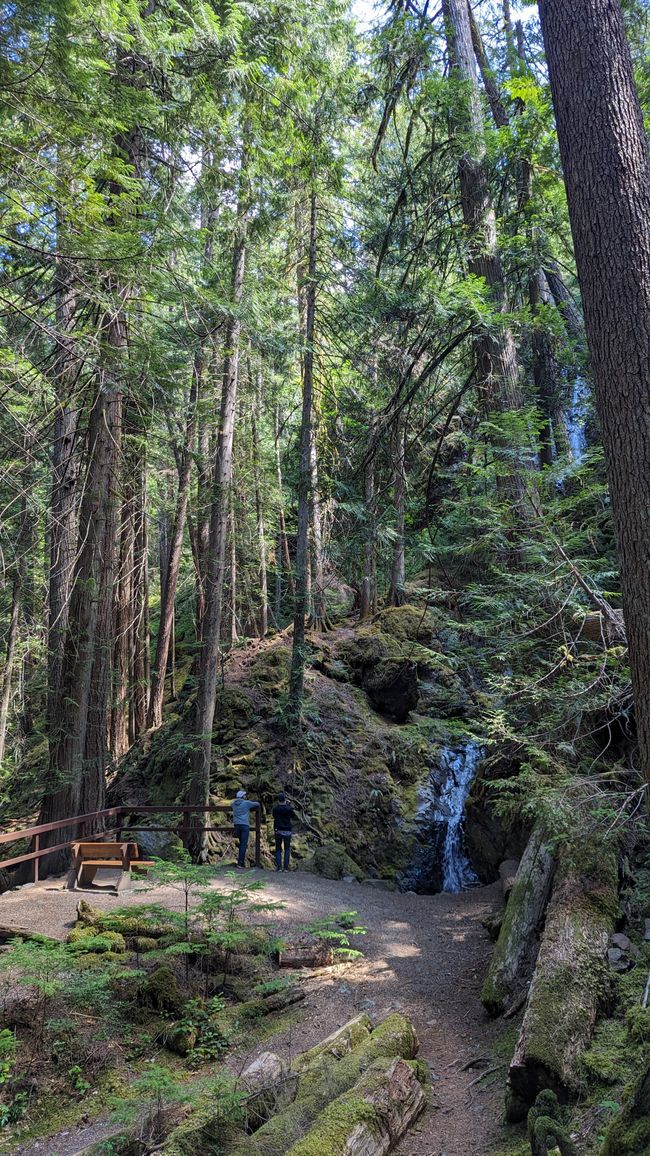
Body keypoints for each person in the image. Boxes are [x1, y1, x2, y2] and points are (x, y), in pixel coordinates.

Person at [231, 789, 260, 870]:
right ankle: (240, 863)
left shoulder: (233, 804)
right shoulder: (246, 803)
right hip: (244, 825)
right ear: (242, 796)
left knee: (241, 843)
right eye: (244, 795)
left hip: (236, 825)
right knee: (243, 844)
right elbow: (257, 804)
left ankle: (241, 862)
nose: (245, 796)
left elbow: (231, 804)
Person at [272, 791, 295, 873]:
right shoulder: (289, 809)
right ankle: (285, 868)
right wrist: (289, 805)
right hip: (287, 830)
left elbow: (274, 816)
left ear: (278, 800)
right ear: (285, 799)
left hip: (278, 830)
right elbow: (293, 815)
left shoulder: (275, 809)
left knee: (278, 849)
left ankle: (279, 867)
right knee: (287, 849)